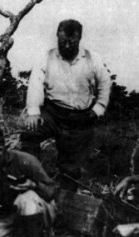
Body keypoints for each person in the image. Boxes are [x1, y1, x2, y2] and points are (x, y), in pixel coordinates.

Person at [21, 19, 111, 191]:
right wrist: (33, 111)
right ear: (57, 37)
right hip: (53, 112)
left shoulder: (92, 59)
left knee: (70, 166)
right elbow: (35, 83)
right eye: (63, 41)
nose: (67, 45)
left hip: (80, 117)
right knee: (30, 133)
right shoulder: (46, 57)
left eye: (72, 41)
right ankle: (31, 180)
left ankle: (66, 200)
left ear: (79, 38)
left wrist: (98, 108)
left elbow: (105, 83)